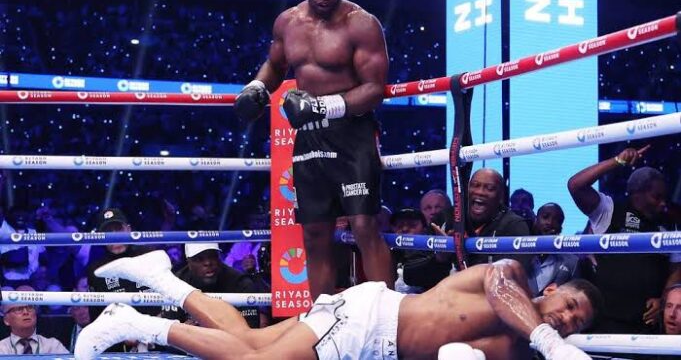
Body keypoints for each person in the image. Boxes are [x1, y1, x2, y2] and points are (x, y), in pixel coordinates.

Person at [75, 250, 600, 360]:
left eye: (578, 323)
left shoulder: (519, 349)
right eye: (572, 304)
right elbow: (504, 291)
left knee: (250, 342)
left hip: (372, 338)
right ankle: (132, 320)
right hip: (374, 321)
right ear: (554, 289)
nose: (569, 318)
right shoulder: (511, 277)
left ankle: (162, 280)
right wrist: (550, 342)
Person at [234, 0, 392, 299]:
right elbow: (276, 66)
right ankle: (321, 316)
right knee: (315, 233)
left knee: (364, 225)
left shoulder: (361, 23)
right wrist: (256, 88)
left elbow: (374, 89)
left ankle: (387, 315)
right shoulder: (287, 22)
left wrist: (323, 106)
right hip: (309, 137)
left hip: (352, 134)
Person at [568, 145, 672, 333]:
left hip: (645, 326)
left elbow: (676, 268)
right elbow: (576, 185)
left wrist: (664, 299)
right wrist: (618, 161)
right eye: (656, 197)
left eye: (664, 197)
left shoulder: (667, 224)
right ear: (637, 192)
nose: (662, 203)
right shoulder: (609, 210)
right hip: (605, 323)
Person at [85, 208, 158, 352]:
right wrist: (123, 336)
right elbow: (97, 317)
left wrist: (154, 331)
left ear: (129, 230)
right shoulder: (96, 270)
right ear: (100, 237)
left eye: (118, 229)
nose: (114, 236)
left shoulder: (150, 256)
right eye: (108, 232)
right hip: (119, 345)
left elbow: (169, 302)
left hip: (159, 337)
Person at [160, 243, 260, 329]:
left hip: (229, 342)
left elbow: (251, 330)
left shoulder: (241, 283)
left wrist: (213, 327)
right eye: (199, 259)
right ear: (188, 262)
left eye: (212, 256)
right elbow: (168, 333)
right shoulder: (175, 284)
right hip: (189, 342)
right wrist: (185, 331)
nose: (208, 263)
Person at [466, 168, 533, 271]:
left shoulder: (514, 225)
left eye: (489, 188)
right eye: (475, 185)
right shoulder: (456, 217)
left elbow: (514, 273)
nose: (480, 192)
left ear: (501, 195)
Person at [527, 203, 579, 297]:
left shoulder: (573, 262)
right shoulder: (520, 255)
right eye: (545, 217)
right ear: (535, 220)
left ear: (561, 227)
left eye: (556, 220)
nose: (550, 222)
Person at [0, 285, 69, 355]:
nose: (26, 312)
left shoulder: (53, 346)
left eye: (30, 307)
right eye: (19, 309)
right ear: (6, 320)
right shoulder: (2, 348)